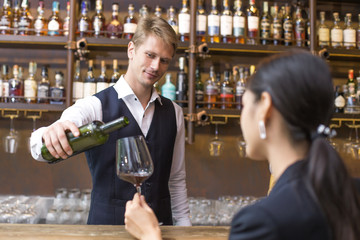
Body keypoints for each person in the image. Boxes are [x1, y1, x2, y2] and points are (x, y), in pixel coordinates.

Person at [124, 51, 360, 240]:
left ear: (265, 107)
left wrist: (150, 235)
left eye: (244, 105)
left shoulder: (263, 221)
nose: (241, 118)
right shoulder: (351, 193)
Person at [30, 16, 191, 226]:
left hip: (161, 231)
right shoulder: (95, 106)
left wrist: (185, 228)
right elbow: (38, 146)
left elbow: (176, 180)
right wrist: (50, 132)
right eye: (150, 55)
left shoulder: (175, 112)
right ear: (131, 50)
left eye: (164, 60)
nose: (155, 66)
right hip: (105, 231)